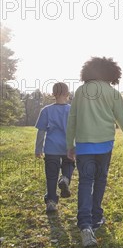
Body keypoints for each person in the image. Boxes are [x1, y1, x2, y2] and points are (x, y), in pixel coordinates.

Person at [67, 57, 123, 248]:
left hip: (84, 145)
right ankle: (96, 217)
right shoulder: (113, 93)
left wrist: (70, 144)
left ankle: (85, 224)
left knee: (85, 182)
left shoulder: (81, 91)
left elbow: (72, 120)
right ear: (111, 73)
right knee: (100, 179)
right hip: (105, 145)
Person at [35, 82, 75, 213]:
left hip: (51, 148)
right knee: (69, 164)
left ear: (53, 94)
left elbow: (41, 131)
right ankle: (65, 179)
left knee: (51, 175)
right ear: (67, 94)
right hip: (68, 147)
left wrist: (38, 149)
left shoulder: (46, 110)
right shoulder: (72, 110)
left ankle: (51, 202)